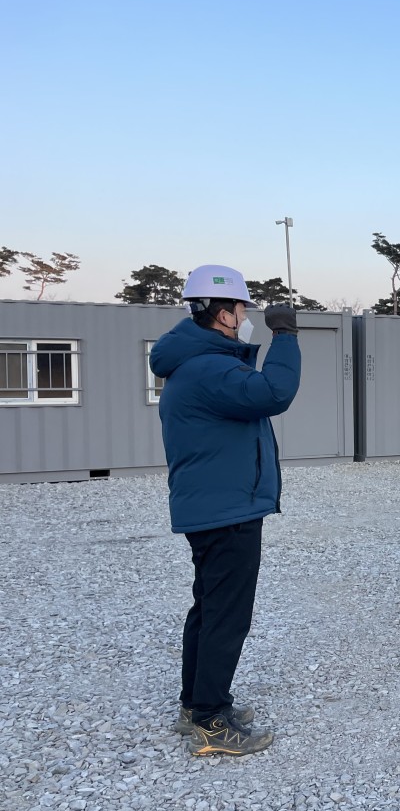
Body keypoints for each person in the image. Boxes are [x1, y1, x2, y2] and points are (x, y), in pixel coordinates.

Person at [149, 265, 301, 757]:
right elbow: (273, 394)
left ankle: (198, 705)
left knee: (209, 608)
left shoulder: (191, 359)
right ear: (222, 313)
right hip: (226, 509)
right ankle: (213, 724)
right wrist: (286, 336)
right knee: (227, 616)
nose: (246, 317)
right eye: (242, 309)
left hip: (214, 506)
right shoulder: (210, 368)